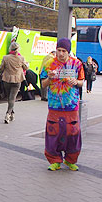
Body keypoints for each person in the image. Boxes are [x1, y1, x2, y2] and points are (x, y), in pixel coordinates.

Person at [40, 38, 85, 171]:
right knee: (54, 134)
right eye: (59, 50)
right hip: (54, 105)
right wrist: (50, 78)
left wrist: (76, 82)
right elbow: (42, 84)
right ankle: (55, 160)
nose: (60, 54)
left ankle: (71, 160)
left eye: (63, 51)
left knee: (73, 134)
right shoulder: (49, 64)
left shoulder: (77, 64)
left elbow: (82, 82)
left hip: (71, 105)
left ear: (68, 51)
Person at [0, 41, 28, 124]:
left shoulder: (5, 58)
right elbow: (26, 68)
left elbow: (1, 68)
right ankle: (8, 114)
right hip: (17, 80)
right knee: (12, 98)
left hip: (7, 79)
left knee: (9, 98)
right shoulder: (21, 58)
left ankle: (12, 113)